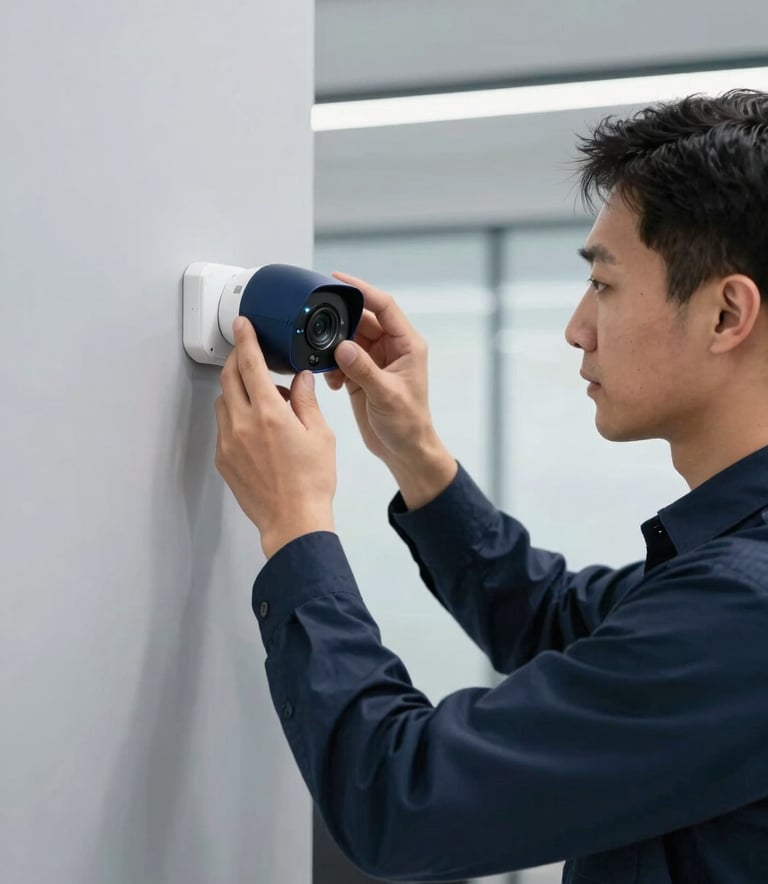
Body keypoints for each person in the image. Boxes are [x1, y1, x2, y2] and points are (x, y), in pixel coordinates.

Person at [213, 89, 768, 883]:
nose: (577, 327)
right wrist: (418, 457)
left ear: (725, 315)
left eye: (604, 285)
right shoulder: (731, 572)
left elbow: (407, 800)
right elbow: (556, 620)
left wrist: (296, 528)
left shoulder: (747, 607)